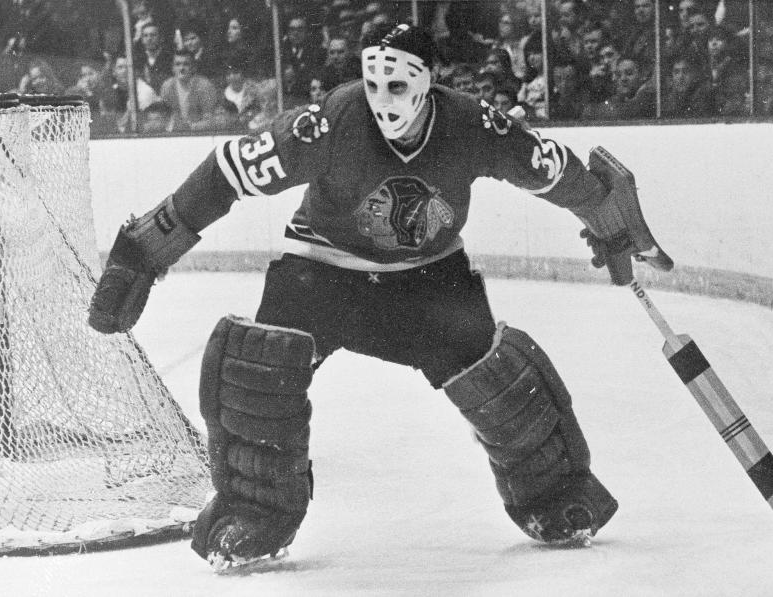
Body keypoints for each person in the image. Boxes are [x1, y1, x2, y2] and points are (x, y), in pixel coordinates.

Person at [87, 23, 671, 571]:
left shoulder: (471, 124)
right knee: (258, 372)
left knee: (500, 379)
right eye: (372, 84)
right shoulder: (330, 123)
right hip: (324, 272)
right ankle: (255, 512)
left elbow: (547, 167)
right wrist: (148, 247)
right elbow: (228, 173)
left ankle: (557, 492)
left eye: (397, 85)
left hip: (428, 279)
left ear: (429, 84)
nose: (382, 98)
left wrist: (604, 211)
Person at [158, 50, 220, 132]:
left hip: (201, 134)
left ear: (193, 67)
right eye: (178, 64)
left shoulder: (205, 86)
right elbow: (163, 117)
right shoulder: (167, 87)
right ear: (173, 68)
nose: (181, 68)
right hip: (174, 134)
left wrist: (192, 127)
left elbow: (211, 120)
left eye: (186, 64)